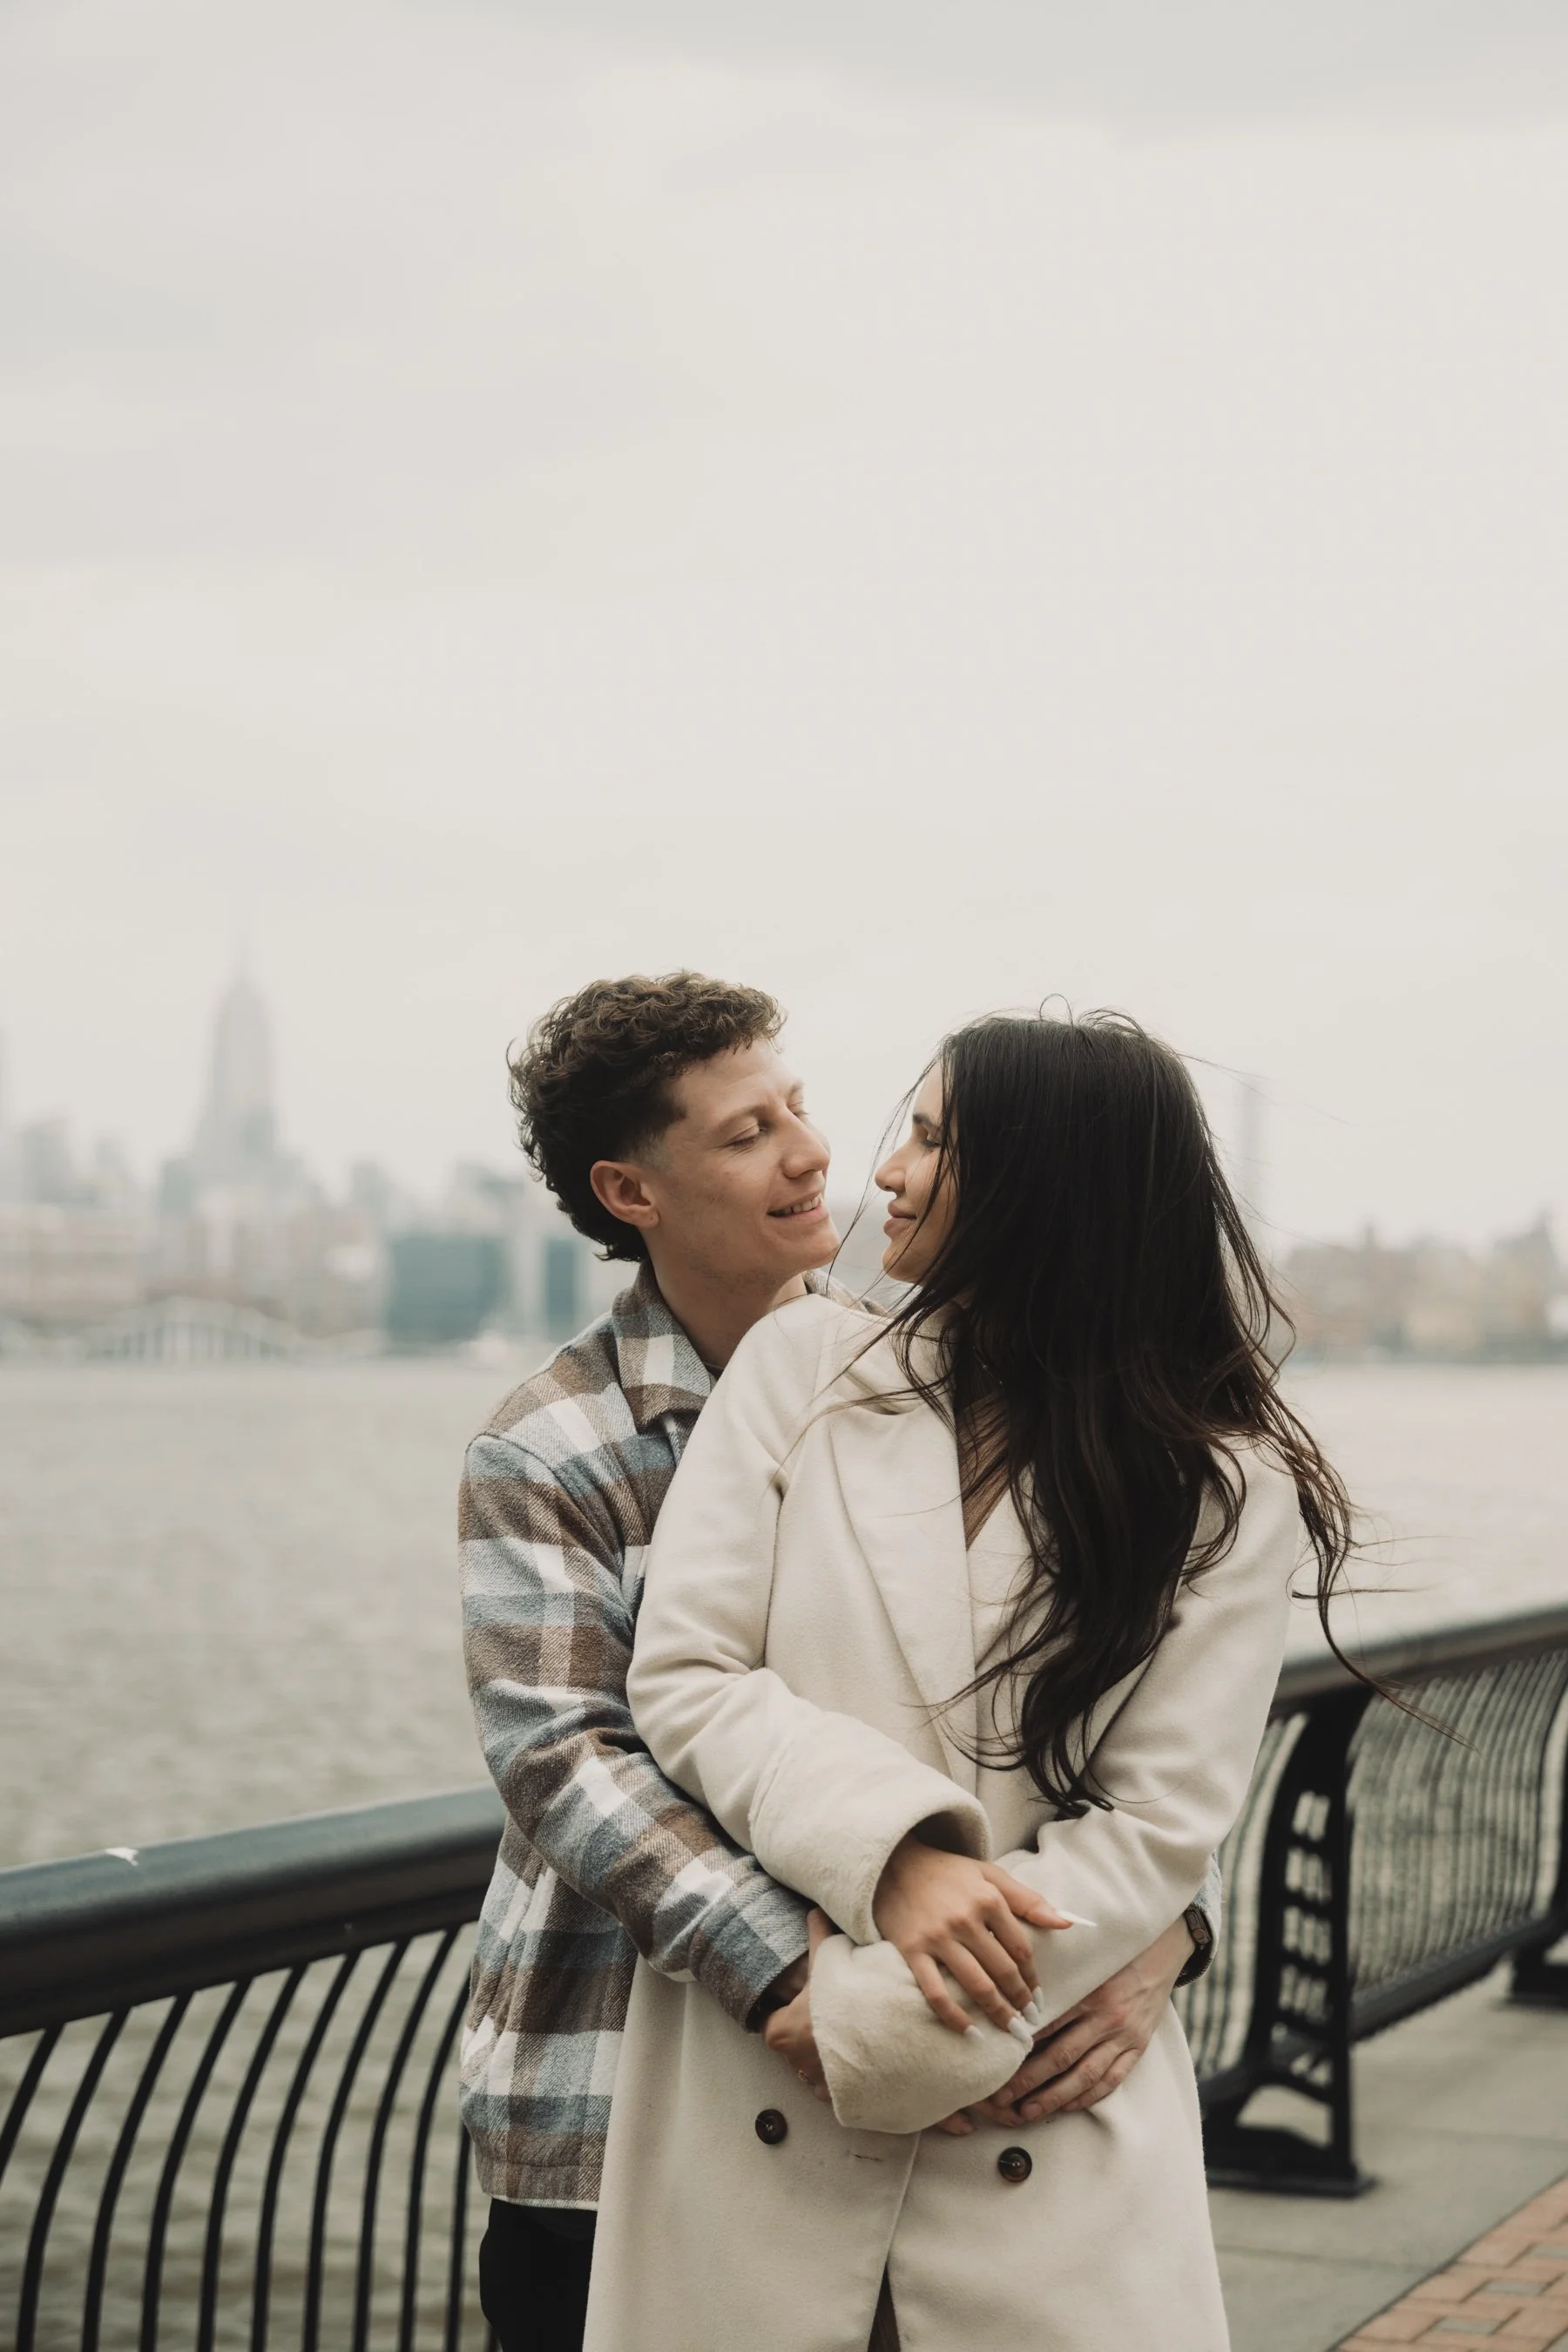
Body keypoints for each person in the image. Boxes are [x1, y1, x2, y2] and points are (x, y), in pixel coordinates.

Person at [460, 976, 1220, 2352]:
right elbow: (569, 1760)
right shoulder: (554, 1445)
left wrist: (1163, 1919)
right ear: (633, 1192)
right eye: (749, 1134)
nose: (817, 1153)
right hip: (616, 2079)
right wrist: (822, 1977)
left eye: (800, 1105)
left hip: (941, 2055)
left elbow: (1106, 1720)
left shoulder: (950, 1375)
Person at [585, 1007, 1354, 2352]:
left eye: (932, 1138)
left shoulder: (1226, 1484)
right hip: (770, 2109)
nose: (882, 1169)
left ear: (1042, 1185)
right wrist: (898, 1861)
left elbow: (1161, 1822)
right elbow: (690, 1674)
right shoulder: (802, 1365)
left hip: (1040, 2130)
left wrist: (878, 2027)